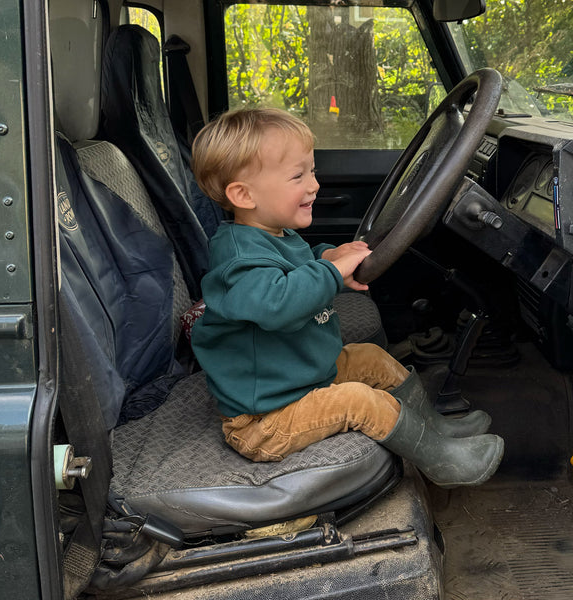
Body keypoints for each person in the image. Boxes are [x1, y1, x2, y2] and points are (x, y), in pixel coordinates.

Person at [190, 107, 503, 488]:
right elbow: (277, 303)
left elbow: (295, 266)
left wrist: (329, 257)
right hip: (265, 421)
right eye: (297, 176)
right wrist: (330, 273)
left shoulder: (273, 233)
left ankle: (434, 430)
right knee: (359, 400)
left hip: (296, 378)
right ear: (243, 194)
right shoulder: (237, 259)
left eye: (313, 171)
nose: (314, 185)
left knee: (370, 358)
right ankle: (442, 463)